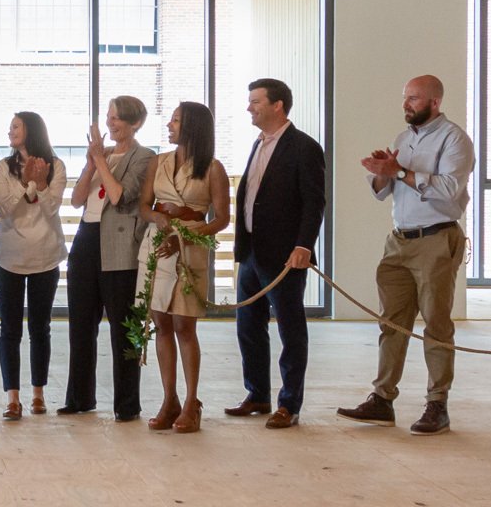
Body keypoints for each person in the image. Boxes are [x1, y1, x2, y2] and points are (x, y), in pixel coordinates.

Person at [338, 74, 473, 436]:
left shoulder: (455, 139)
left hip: (436, 240)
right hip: (399, 241)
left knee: (437, 324)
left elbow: (447, 190)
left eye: (414, 98)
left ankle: (437, 404)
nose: (406, 105)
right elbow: (383, 192)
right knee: (391, 323)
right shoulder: (403, 139)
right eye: (405, 98)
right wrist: (383, 173)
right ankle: (382, 399)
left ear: (434, 102)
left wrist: (397, 170)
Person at [226, 79, 326, 430]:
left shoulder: (304, 147)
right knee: (248, 326)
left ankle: (289, 404)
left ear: (278, 105)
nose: (249, 107)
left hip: (285, 257)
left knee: (290, 330)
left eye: (255, 101)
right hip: (252, 252)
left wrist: (304, 246)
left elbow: (314, 203)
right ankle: (257, 394)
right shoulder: (258, 145)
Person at [57, 96, 155, 422]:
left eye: (118, 119)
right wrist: (90, 164)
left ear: (135, 123)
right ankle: (79, 397)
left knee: (122, 328)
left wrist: (100, 160)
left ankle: (127, 404)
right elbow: (75, 200)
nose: (111, 124)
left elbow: (118, 195)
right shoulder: (102, 157)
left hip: (120, 246)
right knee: (81, 325)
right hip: (86, 240)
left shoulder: (144, 157)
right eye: (109, 118)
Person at [137, 101, 231, 434]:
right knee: (160, 321)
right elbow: (144, 205)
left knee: (184, 326)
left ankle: (192, 402)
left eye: (176, 121)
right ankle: (169, 400)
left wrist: (185, 235)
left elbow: (221, 219)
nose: (169, 125)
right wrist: (158, 217)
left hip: (190, 248)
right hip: (157, 245)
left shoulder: (212, 169)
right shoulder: (159, 162)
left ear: (192, 127)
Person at [0, 112, 67, 421]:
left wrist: (43, 183)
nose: (10, 131)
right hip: (9, 258)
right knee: (9, 329)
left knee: (40, 328)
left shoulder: (56, 165)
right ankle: (12, 398)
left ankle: (38, 394)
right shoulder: (2, 168)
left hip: (45, 257)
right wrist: (24, 183)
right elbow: (3, 209)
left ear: (31, 130)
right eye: (10, 126)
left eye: (16, 126)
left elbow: (51, 209)